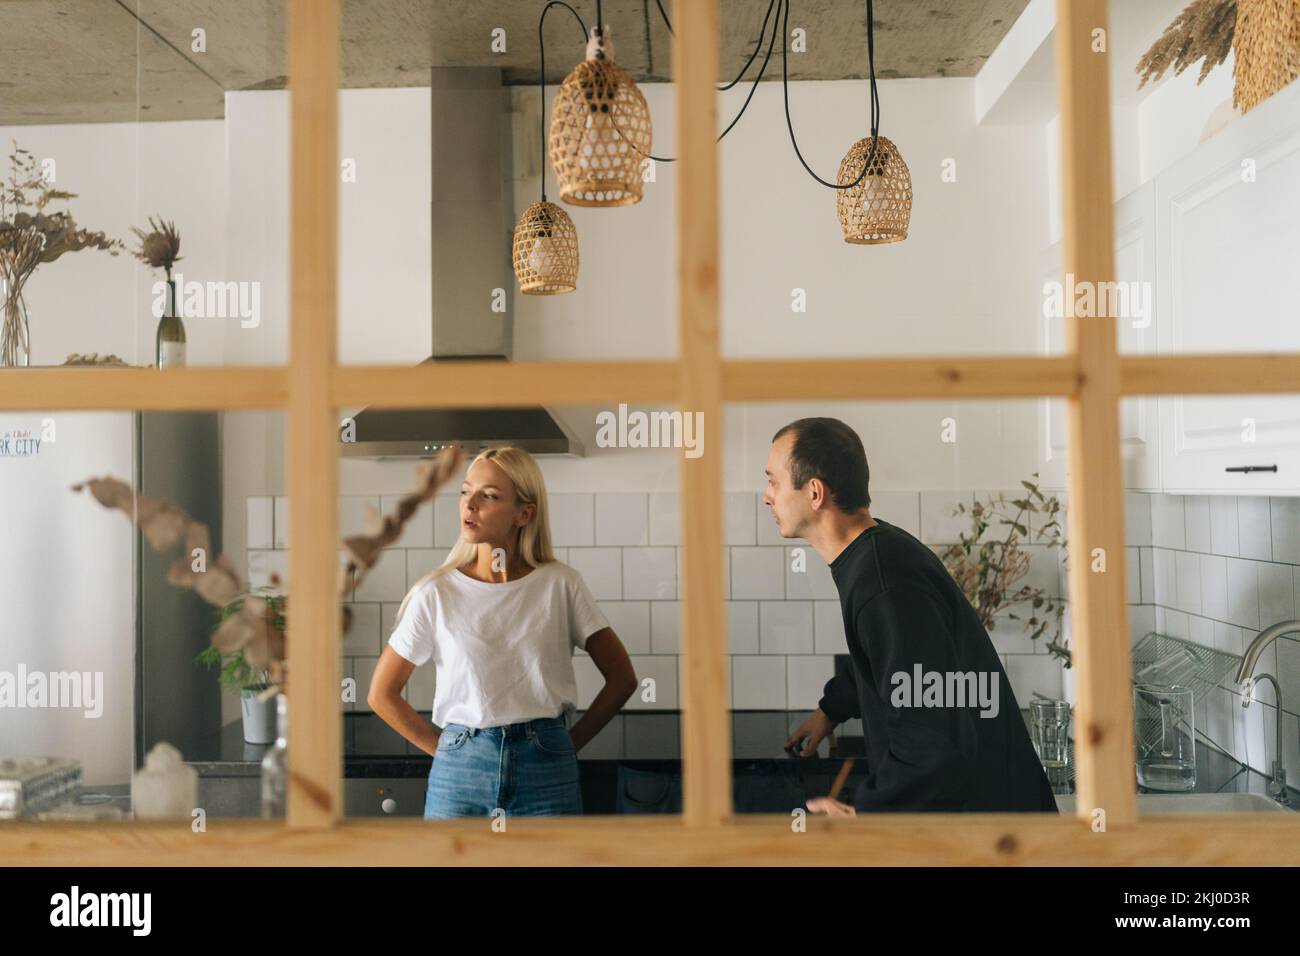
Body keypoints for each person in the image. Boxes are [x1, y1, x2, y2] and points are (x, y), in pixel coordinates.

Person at [767, 418, 1058, 814]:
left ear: (814, 492)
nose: (767, 496)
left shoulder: (884, 583)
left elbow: (931, 741)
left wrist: (865, 816)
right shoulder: (876, 556)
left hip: (990, 833)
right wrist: (830, 710)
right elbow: (893, 660)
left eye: (774, 482)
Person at [368, 446, 637, 818]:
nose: (470, 504)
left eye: (489, 496)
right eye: (465, 491)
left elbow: (622, 678)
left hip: (548, 772)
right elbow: (381, 693)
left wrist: (565, 746)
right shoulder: (435, 593)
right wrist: (450, 751)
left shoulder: (561, 585)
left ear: (525, 513)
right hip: (459, 776)